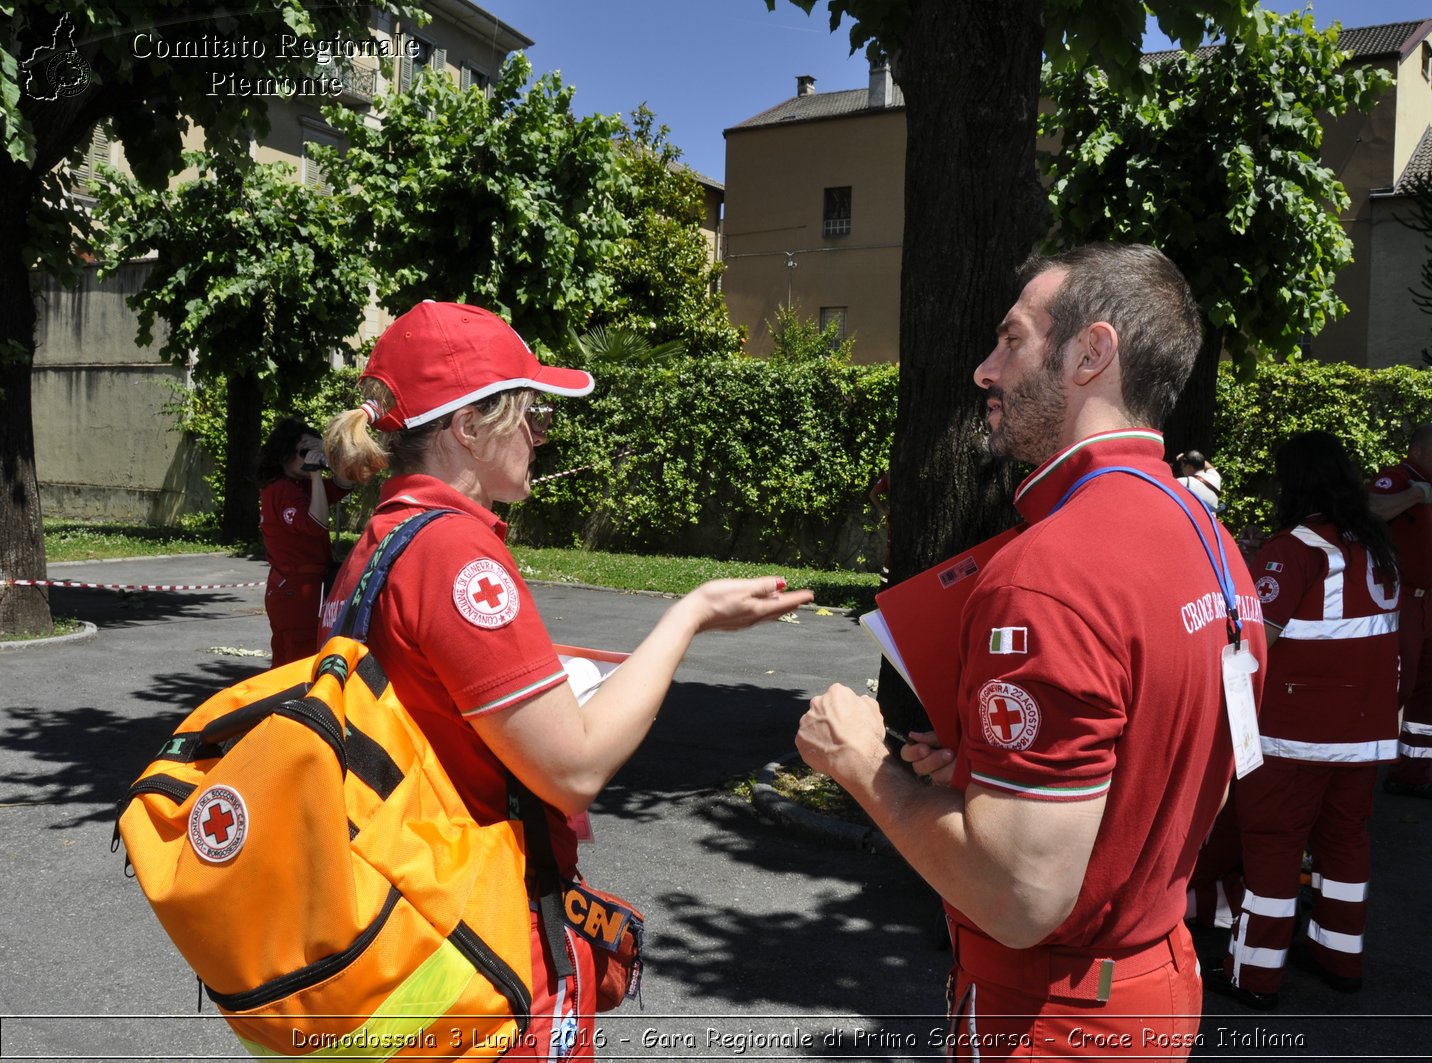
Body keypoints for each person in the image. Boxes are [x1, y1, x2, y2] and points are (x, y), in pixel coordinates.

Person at [797, 244, 1267, 1058]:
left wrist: (862, 761)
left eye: (1011, 341)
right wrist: (993, 772)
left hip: (1054, 1014)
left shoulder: (1047, 572)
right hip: (1157, 981)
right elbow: (1186, 770)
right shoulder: (1212, 539)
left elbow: (1020, 898)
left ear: (1093, 352)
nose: (985, 370)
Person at [318, 301, 812, 1059]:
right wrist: (689, 616)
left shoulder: (378, 543)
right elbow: (574, 766)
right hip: (483, 943)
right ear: (469, 425)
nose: (541, 437)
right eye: (531, 415)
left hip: (409, 922)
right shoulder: (456, 554)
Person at [1210, 430, 1401, 1011]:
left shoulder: (1291, 547)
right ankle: (1340, 955)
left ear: (1294, 482)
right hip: (1363, 732)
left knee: (1271, 845)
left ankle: (1255, 973)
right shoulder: (1374, 543)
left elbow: (1256, 646)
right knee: (1344, 840)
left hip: (1292, 732)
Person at [1369, 424, 1432, 800]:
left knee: (1431, 689)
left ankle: (1411, 773)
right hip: (1399, 600)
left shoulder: (1430, 489)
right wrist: (1416, 494)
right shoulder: (1396, 479)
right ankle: (1351, 774)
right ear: (1416, 451)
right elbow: (1371, 508)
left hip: (1424, 604)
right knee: (1394, 690)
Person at [257, 416, 352, 667]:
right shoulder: (281, 489)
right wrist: (316, 475)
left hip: (302, 586)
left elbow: (347, 481)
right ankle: (289, 705)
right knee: (296, 659)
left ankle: (288, 703)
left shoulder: (300, 485)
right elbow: (317, 521)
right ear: (284, 453)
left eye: (312, 450)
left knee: (302, 653)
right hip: (294, 590)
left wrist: (329, 452)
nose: (308, 457)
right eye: (303, 451)